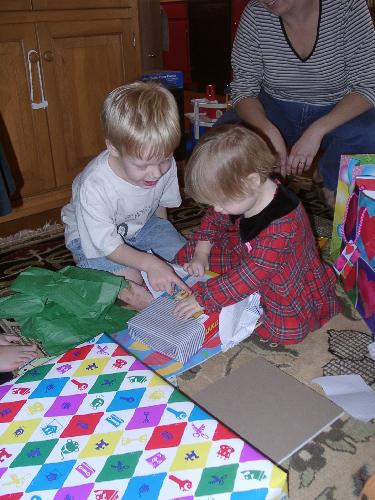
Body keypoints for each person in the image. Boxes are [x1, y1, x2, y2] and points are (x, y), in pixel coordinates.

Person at [173, 124, 341, 345]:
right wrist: (201, 252)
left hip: (283, 277)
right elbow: (215, 218)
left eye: (221, 202)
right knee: (188, 255)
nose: (217, 208)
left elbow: (253, 274)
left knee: (287, 332)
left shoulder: (283, 227)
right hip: (250, 255)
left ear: (252, 182)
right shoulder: (248, 190)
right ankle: (239, 291)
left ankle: (252, 302)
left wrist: (204, 298)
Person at [224, 0, 375, 206]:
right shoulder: (255, 13)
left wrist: (317, 130)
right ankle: (261, 190)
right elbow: (243, 90)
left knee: (370, 132)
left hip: (336, 112)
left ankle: (330, 178)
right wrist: (267, 131)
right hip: (274, 108)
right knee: (225, 136)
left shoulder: (347, 7)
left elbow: (367, 87)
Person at [62, 81, 189, 310]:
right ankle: (86, 268)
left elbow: (160, 210)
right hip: (92, 239)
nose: (157, 172)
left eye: (164, 159)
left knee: (187, 261)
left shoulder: (163, 165)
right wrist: (149, 262)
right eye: (143, 165)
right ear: (113, 148)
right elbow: (107, 246)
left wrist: (164, 247)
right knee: (132, 283)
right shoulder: (94, 185)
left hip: (142, 225)